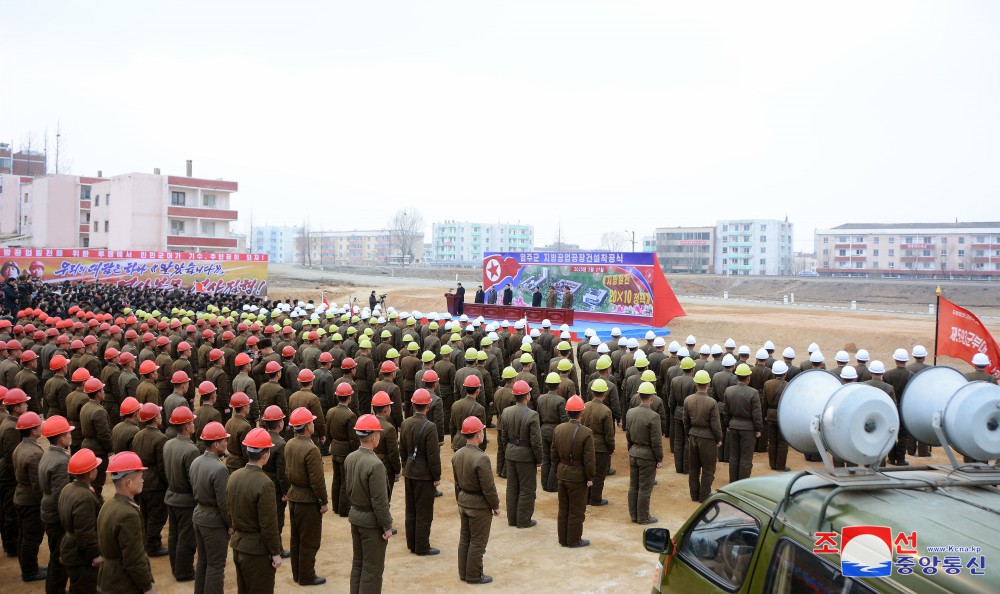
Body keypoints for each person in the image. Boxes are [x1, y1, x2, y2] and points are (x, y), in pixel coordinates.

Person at [227, 428, 283, 594]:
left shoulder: (234, 476)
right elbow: (269, 524)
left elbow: (230, 509)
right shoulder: (265, 483)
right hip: (257, 552)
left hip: (238, 545)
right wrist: (275, 552)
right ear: (266, 455)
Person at [345, 414, 395, 594]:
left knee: (358, 563)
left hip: (356, 516)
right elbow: (380, 501)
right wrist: (387, 526)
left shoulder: (350, 458)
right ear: (374, 437)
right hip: (371, 522)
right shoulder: (376, 465)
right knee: (372, 569)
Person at [97, 451, 154, 594]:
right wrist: (147, 587)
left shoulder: (108, 504)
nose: (143, 480)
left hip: (108, 578)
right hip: (123, 584)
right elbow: (134, 559)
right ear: (128, 482)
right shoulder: (128, 514)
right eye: (140, 477)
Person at [451, 416, 500, 584]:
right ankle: (473, 575)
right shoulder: (481, 458)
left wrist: (460, 500)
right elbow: (488, 487)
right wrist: (496, 506)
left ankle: (463, 572)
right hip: (478, 506)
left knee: (465, 538)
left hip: (464, 501)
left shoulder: (457, 455)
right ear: (478, 435)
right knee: (478, 542)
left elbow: (457, 482)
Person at [284, 406, 329, 586]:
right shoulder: (311, 450)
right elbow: (317, 481)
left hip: (294, 495)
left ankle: (298, 573)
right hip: (308, 499)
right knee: (309, 540)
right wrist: (323, 502)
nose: (313, 424)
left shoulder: (290, 444)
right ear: (307, 426)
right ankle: (307, 576)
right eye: (311, 421)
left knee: (296, 539)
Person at [190, 421, 231, 594]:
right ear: (215, 444)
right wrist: (231, 524)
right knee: (216, 566)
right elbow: (224, 503)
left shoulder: (196, 461)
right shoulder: (219, 469)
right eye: (224, 440)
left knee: (203, 562)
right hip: (213, 522)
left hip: (198, 515)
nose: (226, 443)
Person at [400, 388, 441, 555]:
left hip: (409, 470)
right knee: (424, 512)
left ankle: (412, 543)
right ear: (428, 406)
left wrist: (405, 466)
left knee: (411, 510)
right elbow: (433, 455)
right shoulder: (430, 427)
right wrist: (436, 476)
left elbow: (402, 449)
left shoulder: (405, 423)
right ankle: (422, 546)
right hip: (424, 474)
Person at [497, 376, 542, 529]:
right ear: (527, 396)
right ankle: (523, 520)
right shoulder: (532, 415)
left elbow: (503, 436)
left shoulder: (506, 412)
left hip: (510, 452)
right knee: (527, 489)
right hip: (526, 455)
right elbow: (536, 441)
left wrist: (507, 450)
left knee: (512, 487)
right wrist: (539, 459)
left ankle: (512, 519)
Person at [552, 395, 596, 548]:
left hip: (562, 473)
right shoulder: (586, 433)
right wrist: (590, 477)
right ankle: (574, 540)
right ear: (581, 414)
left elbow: (554, 454)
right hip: (577, 477)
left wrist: (558, 469)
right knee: (576, 510)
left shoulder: (558, 429)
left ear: (567, 413)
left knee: (563, 508)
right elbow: (589, 459)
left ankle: (563, 538)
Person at [59, 448, 103, 594]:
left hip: (70, 547)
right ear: (90, 473)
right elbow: (85, 531)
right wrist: (95, 554)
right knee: (84, 588)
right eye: (95, 467)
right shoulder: (84, 496)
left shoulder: (68, 488)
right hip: (79, 554)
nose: (97, 469)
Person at [163, 405, 199, 582]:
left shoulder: (168, 443)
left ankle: (175, 567)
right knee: (186, 538)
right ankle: (184, 571)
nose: (194, 424)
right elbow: (193, 480)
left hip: (171, 496)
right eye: (192, 422)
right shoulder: (191, 450)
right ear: (186, 426)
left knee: (174, 535)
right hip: (186, 501)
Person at [39, 415, 73, 593]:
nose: (70, 436)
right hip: (56, 515)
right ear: (61, 438)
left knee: (56, 554)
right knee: (60, 557)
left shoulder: (48, 454)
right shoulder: (61, 461)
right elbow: (62, 495)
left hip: (47, 509)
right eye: (68, 433)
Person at [131, 402, 169, 557]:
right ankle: (153, 545)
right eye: (159, 414)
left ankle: (147, 540)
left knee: (145, 514)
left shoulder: (138, 434)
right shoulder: (160, 438)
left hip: (141, 479)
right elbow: (162, 467)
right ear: (155, 418)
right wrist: (167, 484)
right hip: (155, 483)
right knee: (157, 516)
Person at [13, 410, 47, 582]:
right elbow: (38, 486)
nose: (41, 426)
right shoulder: (34, 454)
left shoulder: (21, 447)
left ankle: (28, 566)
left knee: (24, 536)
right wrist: (45, 504)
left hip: (20, 497)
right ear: (33, 431)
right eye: (38, 425)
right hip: (30, 502)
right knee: (31, 538)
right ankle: (30, 571)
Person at [625, 382, 662, 524]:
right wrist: (659, 458)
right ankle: (643, 517)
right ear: (651, 398)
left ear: (639, 396)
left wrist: (631, 449)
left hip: (634, 452)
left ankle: (634, 515)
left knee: (633, 485)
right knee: (645, 488)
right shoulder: (654, 416)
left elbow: (628, 435)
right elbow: (656, 442)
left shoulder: (630, 412)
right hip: (647, 456)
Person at [684, 371, 723, 502]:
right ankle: (704, 495)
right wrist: (719, 439)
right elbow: (716, 425)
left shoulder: (688, 400)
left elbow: (685, 420)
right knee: (708, 468)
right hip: (708, 439)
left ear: (695, 384)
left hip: (693, 435)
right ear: (709, 384)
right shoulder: (712, 402)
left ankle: (694, 495)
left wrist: (688, 433)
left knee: (694, 468)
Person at [721, 364, 762, 483]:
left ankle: (733, 482)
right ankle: (742, 483)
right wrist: (758, 429)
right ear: (748, 378)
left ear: (737, 377)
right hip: (748, 429)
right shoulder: (753, 393)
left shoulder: (729, 390)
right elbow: (757, 414)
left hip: (733, 426)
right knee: (746, 458)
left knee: (734, 457)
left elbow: (726, 411)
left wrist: (728, 424)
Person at [326, 382, 360, 517]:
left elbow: (328, 432)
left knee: (337, 478)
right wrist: (357, 452)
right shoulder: (350, 416)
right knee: (345, 481)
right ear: (350, 398)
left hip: (335, 448)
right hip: (346, 451)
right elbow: (353, 438)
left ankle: (336, 506)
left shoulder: (331, 411)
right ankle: (344, 509)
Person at [583, 379, 614, 506]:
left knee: (587, 472)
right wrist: (611, 448)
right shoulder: (606, 411)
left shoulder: (584, 406)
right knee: (599, 474)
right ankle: (595, 499)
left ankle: (586, 497)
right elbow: (609, 434)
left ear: (592, 392)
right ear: (605, 394)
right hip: (600, 447)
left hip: (585, 444)